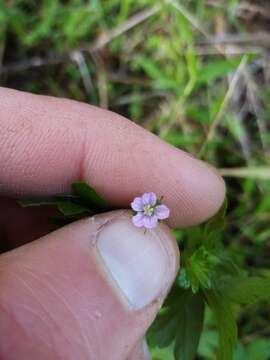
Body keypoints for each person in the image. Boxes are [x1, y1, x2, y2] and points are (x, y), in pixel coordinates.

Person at [0, 87, 225, 359]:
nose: (150, 208)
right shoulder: (144, 211)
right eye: (149, 207)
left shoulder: (152, 212)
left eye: (152, 208)